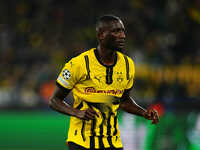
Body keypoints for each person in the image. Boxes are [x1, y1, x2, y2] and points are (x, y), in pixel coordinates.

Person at [49, 15, 159, 150]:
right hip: (81, 141)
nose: (122, 35)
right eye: (116, 31)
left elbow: (123, 101)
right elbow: (54, 100)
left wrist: (144, 113)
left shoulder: (127, 64)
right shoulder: (79, 64)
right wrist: (77, 112)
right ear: (101, 35)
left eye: (123, 31)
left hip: (112, 143)